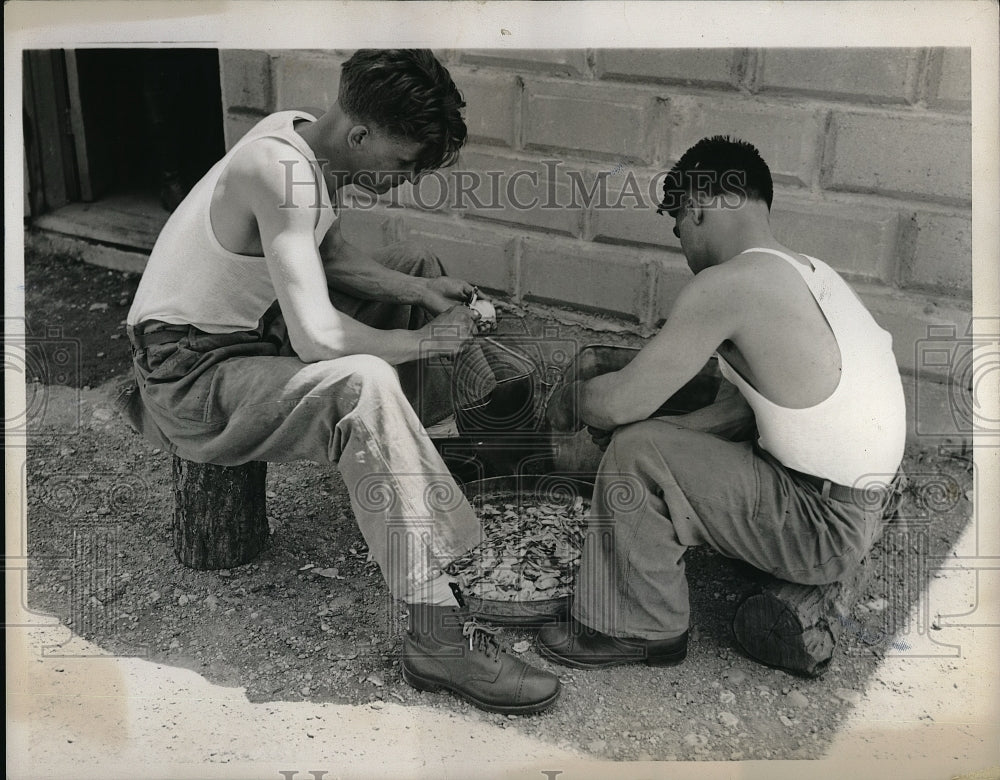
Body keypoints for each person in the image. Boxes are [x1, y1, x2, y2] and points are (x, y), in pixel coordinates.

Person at [120, 49, 560, 714]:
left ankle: (454, 479)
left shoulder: (299, 132)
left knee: (420, 271)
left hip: (248, 336)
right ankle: (435, 635)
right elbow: (316, 339)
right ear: (360, 135)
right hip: (190, 376)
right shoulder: (277, 169)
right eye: (403, 162)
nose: (405, 179)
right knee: (363, 381)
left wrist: (421, 290)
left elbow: (330, 256)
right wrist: (421, 341)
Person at [539, 135, 905, 670]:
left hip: (823, 530)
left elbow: (617, 406)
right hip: (862, 504)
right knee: (659, 438)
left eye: (679, 225)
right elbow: (741, 410)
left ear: (700, 208)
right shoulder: (809, 272)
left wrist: (575, 399)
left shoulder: (726, 284)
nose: (683, 241)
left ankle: (639, 627)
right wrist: (672, 434)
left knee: (637, 451)